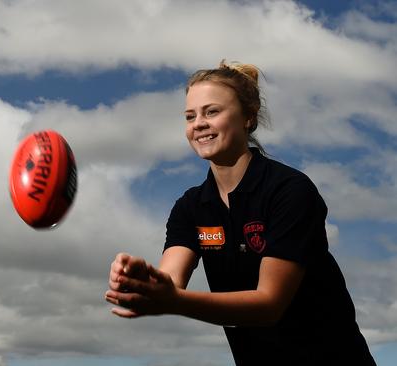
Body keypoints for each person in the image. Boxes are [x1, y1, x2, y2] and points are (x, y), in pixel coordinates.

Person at [105, 60, 376, 365]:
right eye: (190, 116)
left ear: (248, 117)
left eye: (212, 112)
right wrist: (143, 281)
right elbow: (170, 280)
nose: (198, 124)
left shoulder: (289, 190)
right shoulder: (191, 206)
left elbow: (269, 304)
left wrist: (174, 301)